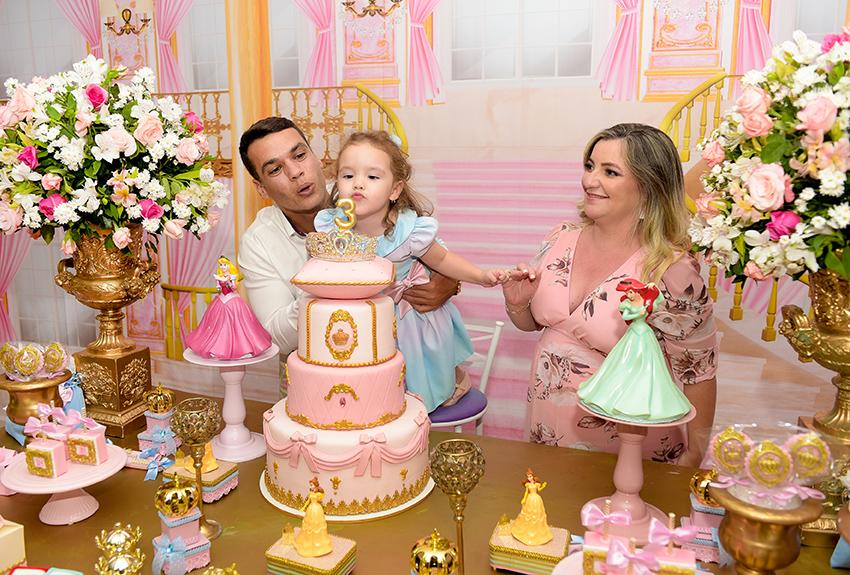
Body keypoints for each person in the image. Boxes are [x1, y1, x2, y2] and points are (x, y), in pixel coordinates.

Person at [501, 123, 717, 466]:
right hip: (546, 434)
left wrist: (694, 455)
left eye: (610, 172)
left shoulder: (670, 271)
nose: (590, 180)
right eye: (590, 166)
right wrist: (517, 303)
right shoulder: (560, 238)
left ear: (648, 186)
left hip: (628, 451)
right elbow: (535, 325)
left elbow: (699, 373)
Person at [237, 118, 458, 392]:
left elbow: (429, 251)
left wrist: (450, 281)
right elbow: (277, 338)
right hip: (318, 385)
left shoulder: (361, 192)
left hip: (402, 370)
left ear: (316, 157)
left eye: (300, 155)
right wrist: (325, 285)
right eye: (275, 169)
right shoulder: (259, 242)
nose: (295, 172)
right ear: (261, 188)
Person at [315, 131, 508, 412]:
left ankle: (439, 389)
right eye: (348, 175)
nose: (358, 183)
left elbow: (442, 260)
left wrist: (481, 276)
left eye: (372, 176)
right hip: (361, 320)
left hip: (408, 320)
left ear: (395, 190)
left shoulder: (407, 232)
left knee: (410, 393)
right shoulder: (332, 229)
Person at [577, 278, 692, 423]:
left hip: (645, 332)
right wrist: (637, 314)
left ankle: (647, 397)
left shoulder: (646, 300)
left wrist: (653, 288)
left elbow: (660, 299)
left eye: (630, 292)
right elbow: (626, 316)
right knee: (627, 359)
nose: (629, 295)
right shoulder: (627, 303)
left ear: (637, 290)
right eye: (627, 292)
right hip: (634, 331)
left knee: (649, 362)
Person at [184, 256, 272, 359]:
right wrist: (219, 284)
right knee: (218, 324)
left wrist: (229, 282)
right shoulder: (219, 276)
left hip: (232, 299)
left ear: (229, 266)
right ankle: (216, 348)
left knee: (238, 323)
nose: (223, 267)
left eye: (224, 265)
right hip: (222, 299)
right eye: (221, 265)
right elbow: (218, 288)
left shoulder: (232, 276)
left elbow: (234, 288)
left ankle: (243, 348)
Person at [511, 469, 553, 546]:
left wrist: (543, 486)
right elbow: (526, 492)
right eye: (528, 477)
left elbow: (539, 490)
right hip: (530, 499)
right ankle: (527, 529)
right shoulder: (528, 485)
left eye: (530, 476)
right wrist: (524, 499)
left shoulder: (537, 484)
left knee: (537, 514)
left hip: (536, 499)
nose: (529, 478)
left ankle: (537, 530)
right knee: (528, 513)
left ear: (533, 476)